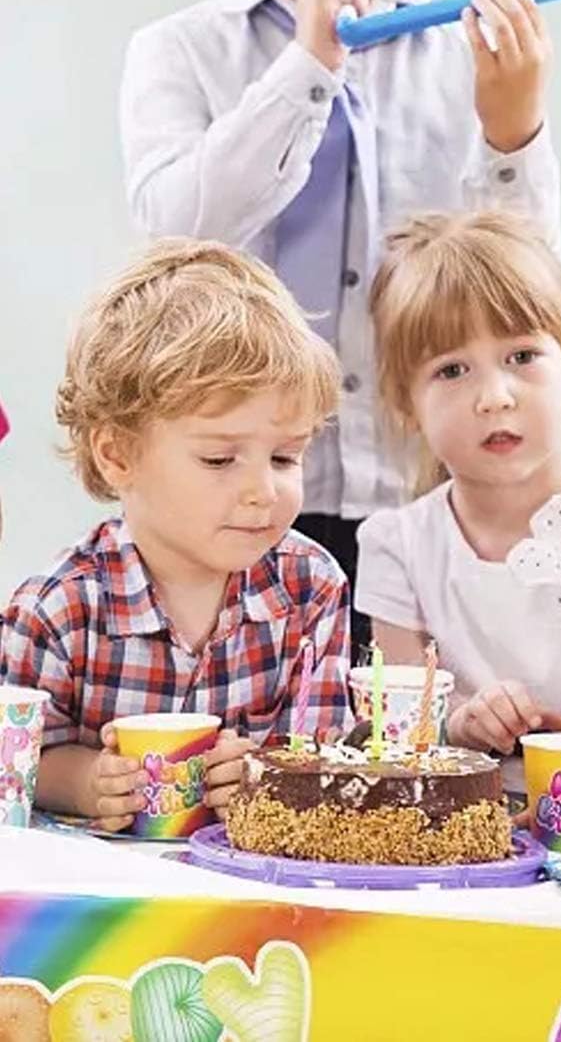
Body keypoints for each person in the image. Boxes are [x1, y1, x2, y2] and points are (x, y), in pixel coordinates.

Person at [118, 0, 561, 654]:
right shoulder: (180, 53)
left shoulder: (472, 59)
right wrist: (307, 67)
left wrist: (512, 131)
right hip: (226, 510)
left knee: (412, 739)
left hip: (423, 505)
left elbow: (525, 295)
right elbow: (179, 233)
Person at [0, 241, 350, 830]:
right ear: (117, 455)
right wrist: (86, 782)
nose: (263, 490)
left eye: (285, 457)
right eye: (219, 459)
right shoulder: (59, 609)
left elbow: (328, 757)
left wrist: (263, 774)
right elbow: (17, 759)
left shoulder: (310, 588)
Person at [356, 212, 561, 815]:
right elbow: (398, 731)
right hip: (454, 817)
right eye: (452, 370)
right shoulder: (397, 546)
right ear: (405, 402)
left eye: (522, 356)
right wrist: (462, 723)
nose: (495, 397)